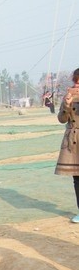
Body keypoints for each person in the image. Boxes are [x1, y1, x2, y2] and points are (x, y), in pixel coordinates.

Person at [55, 68, 79, 223]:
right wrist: (67, 104)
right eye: (76, 81)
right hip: (74, 141)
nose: (77, 85)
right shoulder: (69, 98)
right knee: (77, 178)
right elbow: (62, 119)